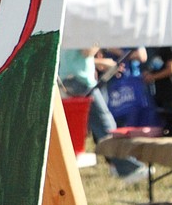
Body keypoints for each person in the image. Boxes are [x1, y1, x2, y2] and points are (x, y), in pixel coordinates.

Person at [58, 46, 147, 184]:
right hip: (81, 82)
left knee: (99, 125)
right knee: (106, 125)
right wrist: (98, 41)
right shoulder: (84, 26)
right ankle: (128, 168)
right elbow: (86, 51)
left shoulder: (72, 27)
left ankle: (119, 165)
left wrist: (102, 61)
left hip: (69, 79)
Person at [144, 46, 172, 115]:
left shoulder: (167, 47)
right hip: (160, 94)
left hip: (171, 94)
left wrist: (153, 77)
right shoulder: (153, 49)